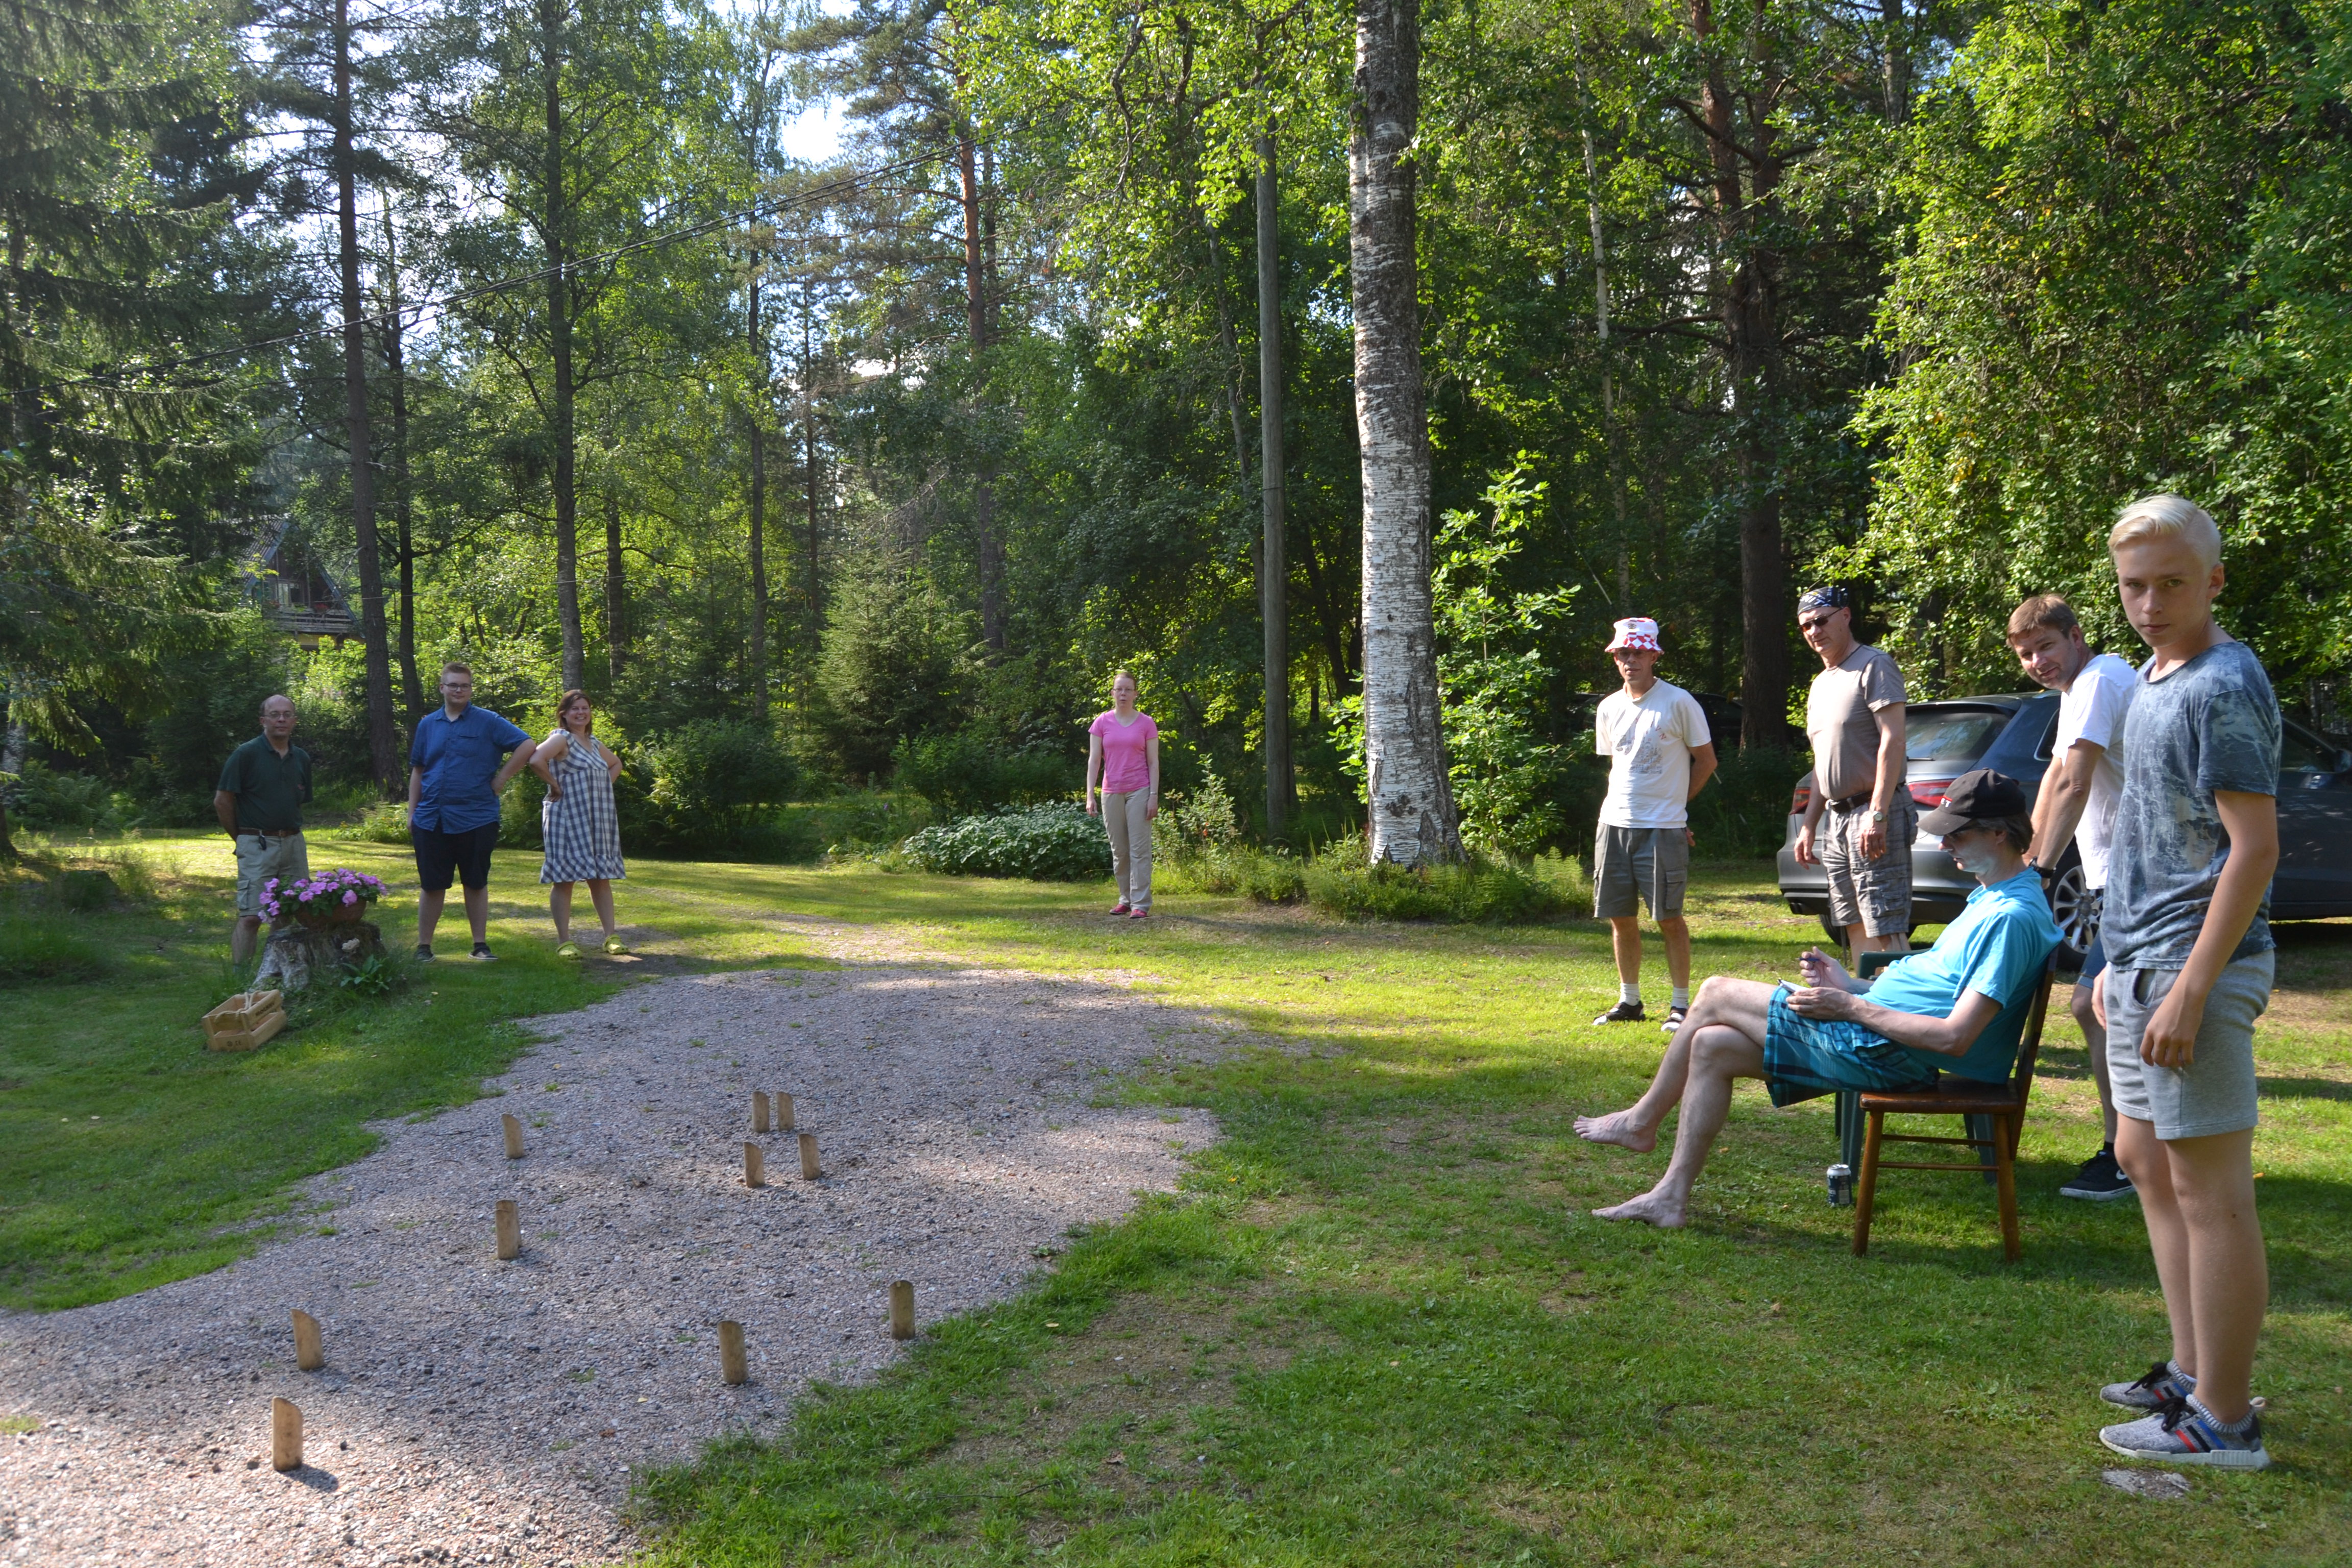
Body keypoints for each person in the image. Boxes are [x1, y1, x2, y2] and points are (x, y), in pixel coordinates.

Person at [1575, 769, 2059, 1229]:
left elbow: (1955, 1037)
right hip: (1880, 1036)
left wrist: (1848, 1007)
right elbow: (1936, 991)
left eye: (1958, 834)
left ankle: (1641, 1122)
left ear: (1999, 833)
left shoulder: (2010, 918)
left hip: (1892, 1054)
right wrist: (1852, 986)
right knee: (1711, 1046)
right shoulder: (1993, 898)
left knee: (1716, 991)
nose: (1944, 843)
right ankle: (1669, 1199)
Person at [2091, 495, 2278, 1471]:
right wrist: (2114, 967)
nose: (2150, 602)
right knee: (2142, 1160)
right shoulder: (2149, 678)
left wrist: (2189, 987)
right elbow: (2148, 836)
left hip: (2193, 968)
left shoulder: (2222, 683)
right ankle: (2191, 1366)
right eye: (2133, 586)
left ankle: (2225, 1418)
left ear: (2211, 580)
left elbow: (2251, 852)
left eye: (2171, 583)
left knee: (2211, 1192)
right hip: (2141, 962)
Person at [2006, 593, 2140, 1202]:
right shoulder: (2074, 693)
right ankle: (2130, 1150)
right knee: (2097, 1008)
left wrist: (2037, 874)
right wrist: (2025, 861)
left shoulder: (2103, 677)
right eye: (2027, 654)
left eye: (2046, 647)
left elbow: (2079, 780)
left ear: (2077, 636)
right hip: (2118, 881)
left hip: (2146, 879)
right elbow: (2055, 779)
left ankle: (2132, 1155)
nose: (2038, 662)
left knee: (2107, 1009)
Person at [1588, 617, 1718, 1031]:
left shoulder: (1679, 703)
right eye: (1623, 653)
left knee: (1668, 917)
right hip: (1614, 824)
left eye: (1639, 652)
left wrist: (1676, 808)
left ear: (1655, 655)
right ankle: (1630, 1001)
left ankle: (1682, 1006)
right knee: (1620, 917)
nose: (1631, 661)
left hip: (1663, 829)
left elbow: (1707, 761)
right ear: (1616, 658)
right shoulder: (1608, 707)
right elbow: (1619, 764)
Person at [1792, 584, 1912, 958]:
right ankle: (1863, 1010)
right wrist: (1809, 825)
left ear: (1845, 616)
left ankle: (1898, 1012)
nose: (1815, 632)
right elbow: (1822, 762)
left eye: (1822, 621)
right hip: (1837, 819)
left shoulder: (1874, 665)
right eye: (1806, 626)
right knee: (1852, 924)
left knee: (1884, 922)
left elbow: (1893, 740)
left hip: (1873, 812)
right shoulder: (1820, 684)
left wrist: (1878, 814)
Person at [407, 662, 535, 962]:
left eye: (464, 685)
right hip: (431, 818)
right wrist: (412, 813)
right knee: (431, 884)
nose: (459, 690)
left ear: (470, 689)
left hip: (476, 817)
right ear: (442, 688)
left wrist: (501, 779)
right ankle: (424, 947)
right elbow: (418, 770)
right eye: (453, 685)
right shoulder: (428, 725)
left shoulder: (488, 721)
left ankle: (480, 946)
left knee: (475, 881)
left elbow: (527, 745)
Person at [214, 694, 312, 965]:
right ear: (263, 720)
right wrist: (242, 838)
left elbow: (299, 802)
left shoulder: (301, 758)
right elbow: (223, 801)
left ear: (294, 720)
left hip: (293, 844)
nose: (281, 719)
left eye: (287, 714)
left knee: (289, 912)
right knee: (251, 916)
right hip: (256, 843)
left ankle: (280, 972)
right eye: (274, 714)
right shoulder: (246, 754)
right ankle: (239, 980)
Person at [531, 689, 628, 957]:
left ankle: (611, 937)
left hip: (598, 817)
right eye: (575, 709)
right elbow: (536, 759)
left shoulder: (594, 743)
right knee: (565, 879)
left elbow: (616, 764)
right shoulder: (562, 739)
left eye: (585, 708)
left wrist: (601, 788)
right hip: (567, 817)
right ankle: (565, 941)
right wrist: (554, 785)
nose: (581, 712)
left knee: (600, 877)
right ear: (564, 714)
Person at [1085, 670, 1160, 920]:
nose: (1124, 694)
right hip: (1110, 792)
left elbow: (1153, 763)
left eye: (1128, 689)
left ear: (1136, 694)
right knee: (1120, 851)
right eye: (1119, 689)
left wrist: (1153, 795)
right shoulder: (1102, 723)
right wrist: (1090, 795)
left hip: (1139, 790)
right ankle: (1125, 899)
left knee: (1140, 850)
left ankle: (1141, 903)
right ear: (1113, 693)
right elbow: (1094, 761)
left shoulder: (1146, 723)